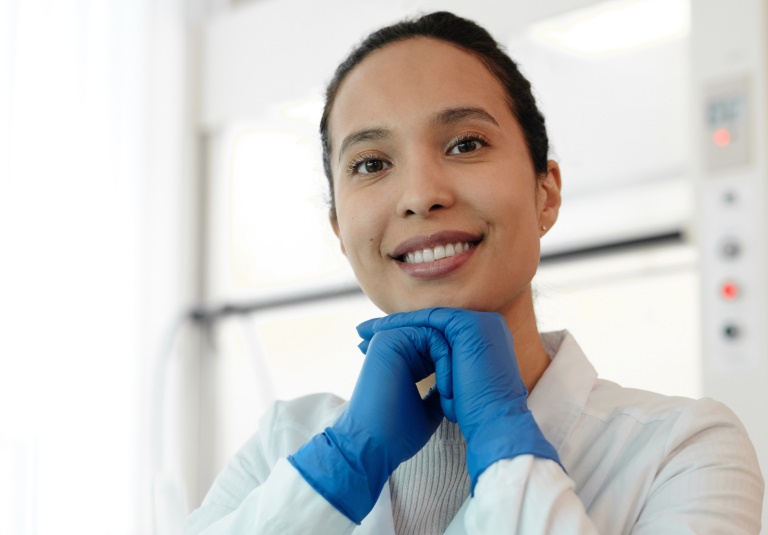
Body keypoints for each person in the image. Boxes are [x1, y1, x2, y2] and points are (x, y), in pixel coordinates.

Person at [185, 11, 764, 534]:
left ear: (546, 193)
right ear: (340, 229)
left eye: (465, 144)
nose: (419, 195)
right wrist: (339, 469)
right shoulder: (285, 446)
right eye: (371, 163)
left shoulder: (682, 450)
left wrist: (508, 452)